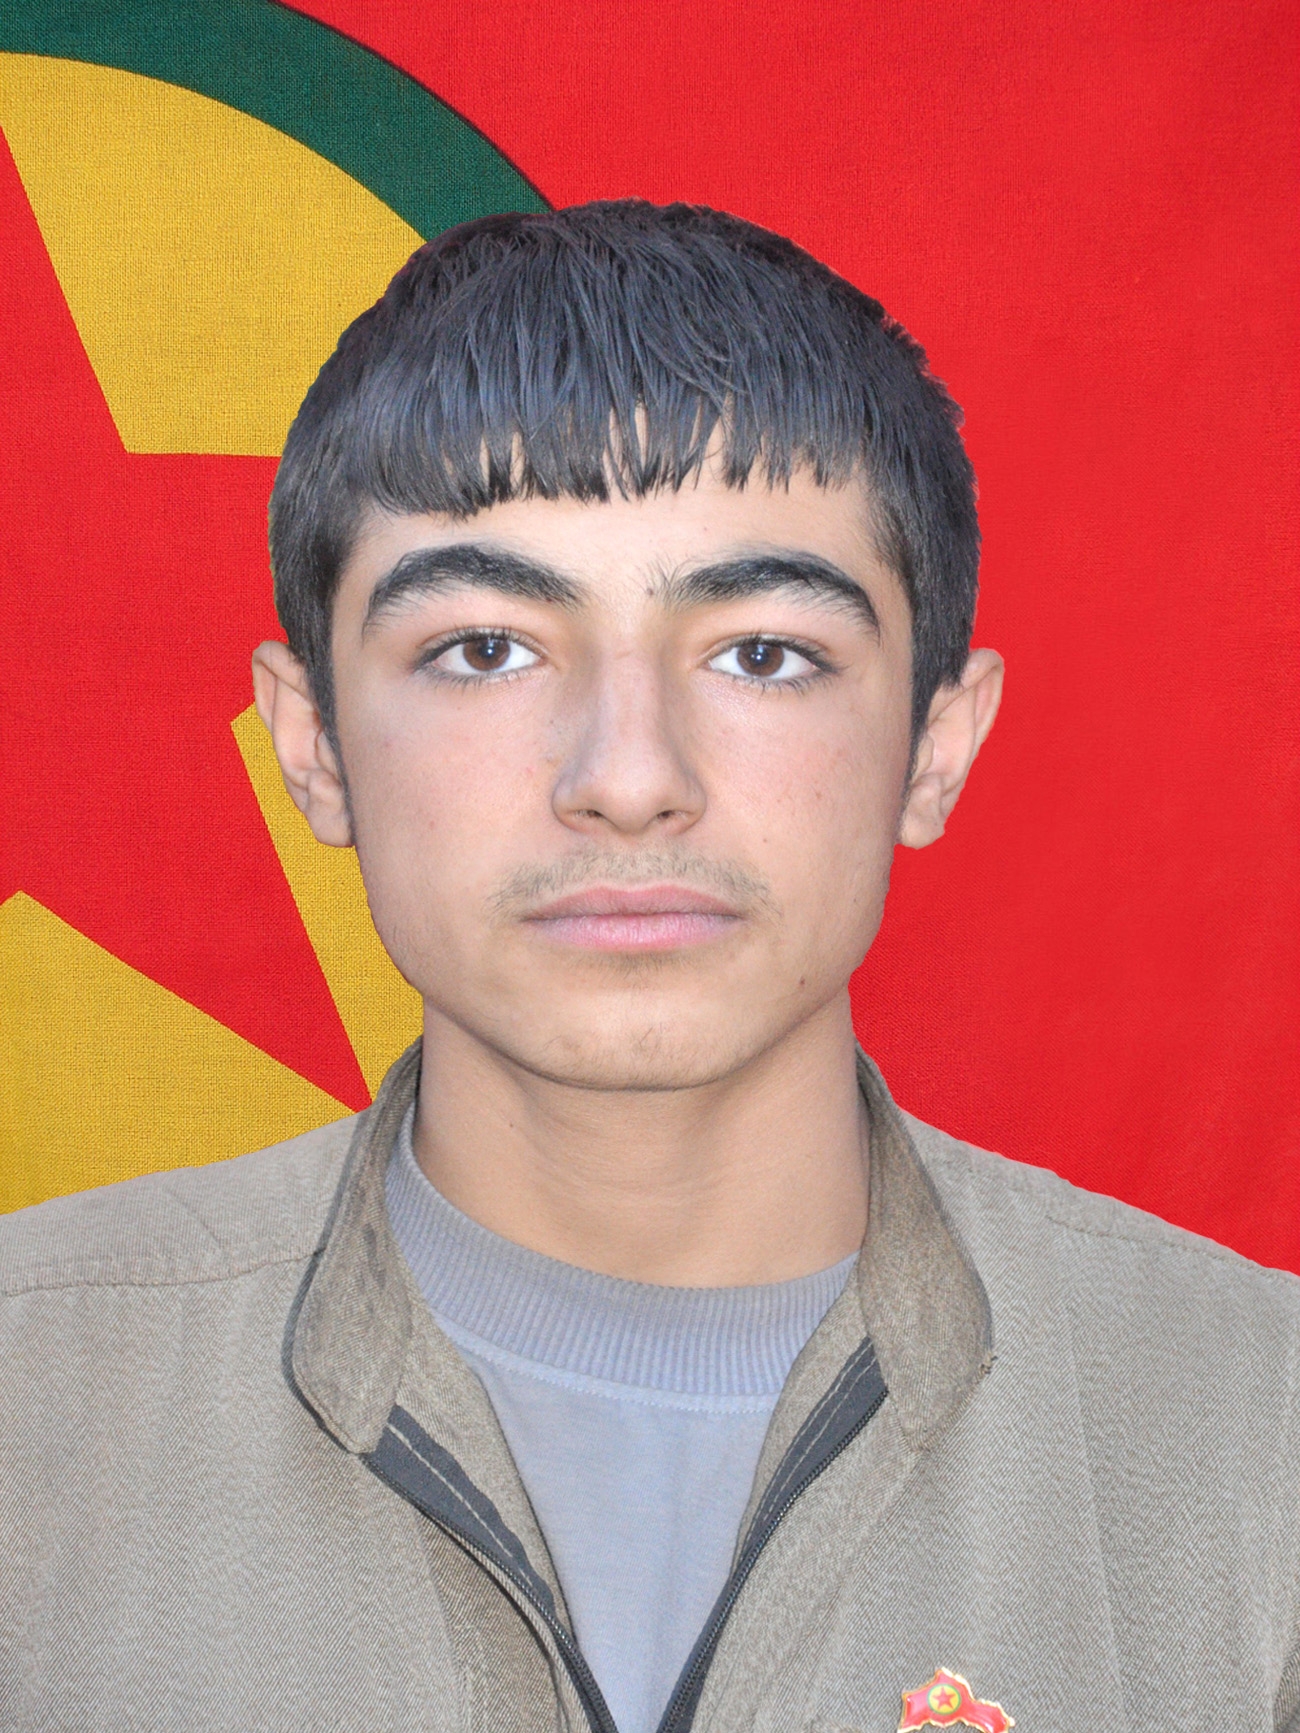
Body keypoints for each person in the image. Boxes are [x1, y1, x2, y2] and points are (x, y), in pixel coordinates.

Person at [2, 200, 1297, 1733]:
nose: (627, 778)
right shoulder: (31, 1394)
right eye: (485, 648)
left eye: (763, 653)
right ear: (313, 744)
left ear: (938, 744)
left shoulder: (1260, 1437)